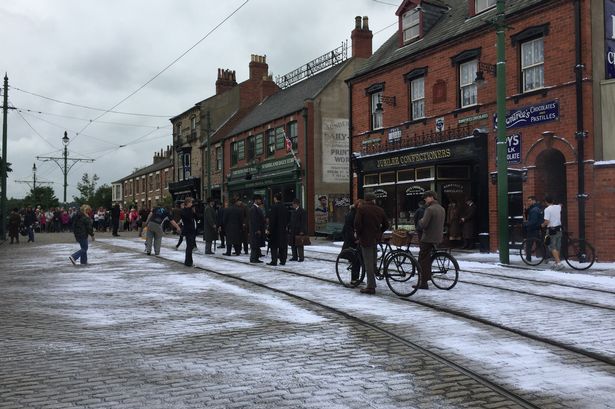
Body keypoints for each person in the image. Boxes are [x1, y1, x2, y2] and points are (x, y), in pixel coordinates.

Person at [354, 192, 389, 294]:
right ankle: (375, 274)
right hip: (376, 239)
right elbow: (386, 225)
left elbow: (357, 224)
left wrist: (359, 234)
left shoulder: (362, 209)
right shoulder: (380, 210)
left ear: (365, 200)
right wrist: (379, 231)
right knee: (373, 260)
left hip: (365, 239)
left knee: (368, 263)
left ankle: (371, 286)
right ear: (374, 200)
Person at [417, 191, 445, 290]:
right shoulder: (441, 208)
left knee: (423, 259)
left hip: (428, 238)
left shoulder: (429, 209)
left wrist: (420, 221)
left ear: (432, 197)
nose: (425, 199)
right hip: (438, 237)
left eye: (426, 197)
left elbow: (423, 224)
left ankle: (423, 282)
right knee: (428, 257)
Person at [266, 192, 289, 266]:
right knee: (283, 246)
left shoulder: (273, 207)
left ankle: (274, 261)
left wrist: (269, 229)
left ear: (275, 198)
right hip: (283, 230)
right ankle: (283, 260)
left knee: (274, 246)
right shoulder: (284, 207)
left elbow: (272, 220)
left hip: (275, 230)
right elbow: (288, 219)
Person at [542, 195, 563, 269]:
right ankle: (556, 262)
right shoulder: (558, 207)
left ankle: (559, 264)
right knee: (557, 246)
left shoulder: (547, 209)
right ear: (553, 201)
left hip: (551, 230)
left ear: (546, 202)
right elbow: (560, 205)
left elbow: (547, 221)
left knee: (551, 246)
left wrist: (542, 225)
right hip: (559, 229)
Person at [524, 196, 544, 261]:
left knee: (529, 245)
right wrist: (526, 210)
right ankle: (546, 257)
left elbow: (533, 220)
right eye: (528, 201)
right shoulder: (536, 208)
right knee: (540, 244)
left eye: (529, 201)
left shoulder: (534, 209)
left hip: (532, 229)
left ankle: (528, 258)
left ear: (534, 201)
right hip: (538, 228)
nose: (528, 202)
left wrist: (526, 224)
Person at [179, 197, 197, 266]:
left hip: (192, 230)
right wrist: (191, 210)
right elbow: (188, 218)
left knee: (190, 246)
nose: (192, 204)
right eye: (191, 202)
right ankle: (188, 262)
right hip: (188, 230)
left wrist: (194, 211)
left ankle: (189, 261)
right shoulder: (184, 211)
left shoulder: (190, 210)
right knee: (189, 246)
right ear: (187, 203)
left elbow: (195, 217)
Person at [248, 195, 266, 263]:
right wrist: (257, 229)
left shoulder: (256, 208)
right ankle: (253, 258)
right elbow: (254, 220)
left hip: (257, 229)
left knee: (256, 244)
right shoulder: (253, 208)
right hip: (255, 230)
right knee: (255, 244)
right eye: (259, 200)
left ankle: (255, 258)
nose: (260, 201)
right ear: (255, 200)